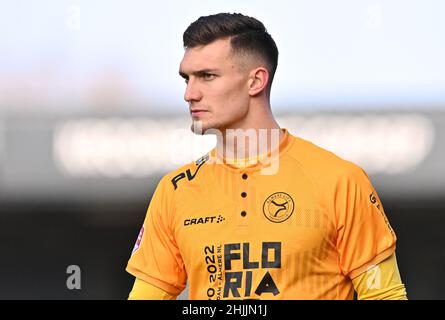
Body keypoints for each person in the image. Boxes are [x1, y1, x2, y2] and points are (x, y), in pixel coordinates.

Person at [126, 12, 407, 300]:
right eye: (187, 78)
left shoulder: (340, 180)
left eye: (207, 76)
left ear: (256, 81)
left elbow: (385, 295)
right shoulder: (175, 190)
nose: (189, 93)